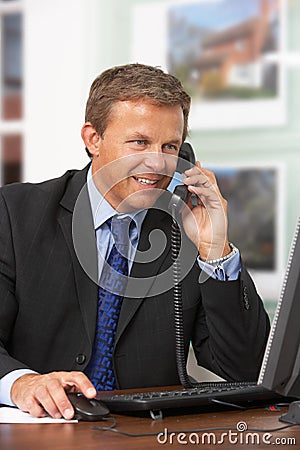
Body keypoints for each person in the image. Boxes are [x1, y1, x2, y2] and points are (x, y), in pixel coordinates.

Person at [0, 63, 270, 420]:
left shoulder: (184, 229)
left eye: (170, 145)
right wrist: (21, 383)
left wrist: (216, 250)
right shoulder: (14, 213)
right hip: (44, 431)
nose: (157, 163)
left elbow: (248, 368)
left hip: (151, 434)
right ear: (92, 138)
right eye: (139, 142)